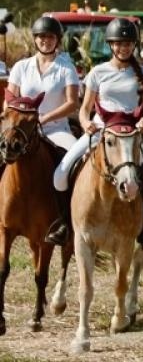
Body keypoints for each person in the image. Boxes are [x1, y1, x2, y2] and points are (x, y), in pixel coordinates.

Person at [54, 17, 143, 249]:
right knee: (60, 173)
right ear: (111, 45)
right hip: (102, 131)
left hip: (131, 134)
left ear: (133, 45)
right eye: (118, 43)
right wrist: (85, 123)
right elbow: (84, 109)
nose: (122, 47)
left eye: (127, 43)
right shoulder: (98, 72)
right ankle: (65, 223)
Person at [9, 16, 84, 245]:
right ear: (35, 40)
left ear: (57, 40)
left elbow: (72, 103)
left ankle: (65, 220)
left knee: (74, 163)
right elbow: (11, 98)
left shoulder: (66, 68)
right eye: (42, 37)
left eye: (50, 37)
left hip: (55, 129)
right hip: (22, 130)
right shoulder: (22, 67)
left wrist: (45, 118)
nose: (45, 41)